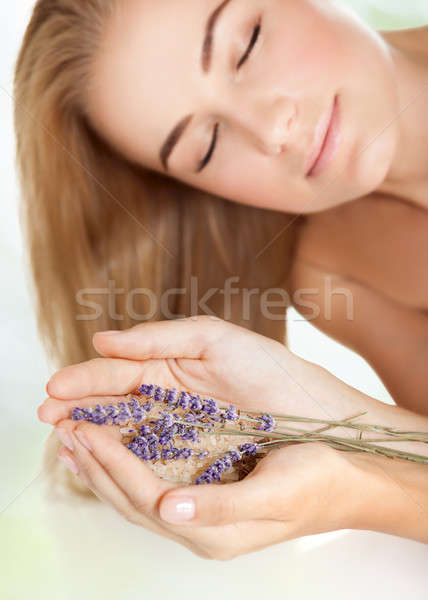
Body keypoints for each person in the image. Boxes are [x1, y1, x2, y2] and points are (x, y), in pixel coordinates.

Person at [14, 0, 428, 558]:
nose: (269, 130)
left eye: (249, 44)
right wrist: (342, 447)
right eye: (206, 145)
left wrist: (363, 479)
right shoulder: (330, 267)